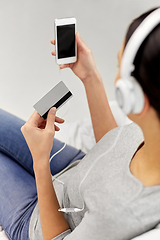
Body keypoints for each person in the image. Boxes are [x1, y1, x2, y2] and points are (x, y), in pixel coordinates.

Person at [0, 6, 160, 240]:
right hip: (78, 166)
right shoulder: (154, 125)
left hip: (36, 218)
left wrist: (41, 162)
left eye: (119, 69)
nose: (117, 80)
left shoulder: (124, 214)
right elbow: (114, 147)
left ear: (135, 94)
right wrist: (90, 76)